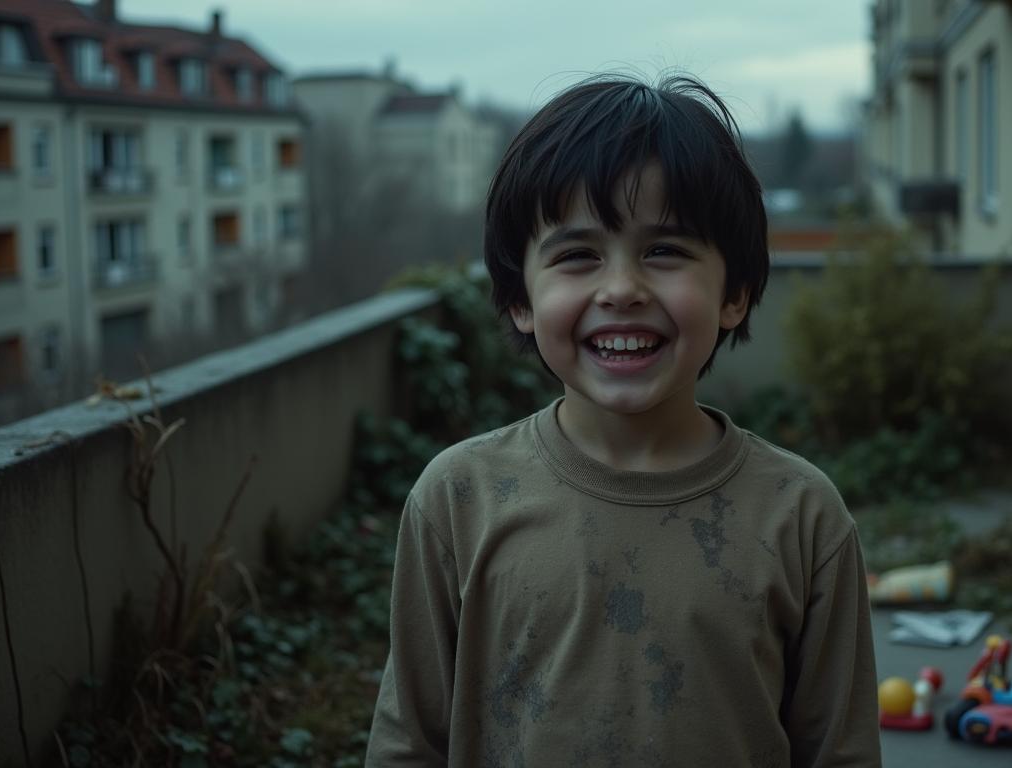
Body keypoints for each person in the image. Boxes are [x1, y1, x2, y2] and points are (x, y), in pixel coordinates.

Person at [366, 73, 881, 767]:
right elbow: (407, 745)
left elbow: (840, 752)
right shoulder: (458, 499)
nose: (621, 290)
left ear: (735, 293)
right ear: (521, 298)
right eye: (578, 256)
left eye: (664, 251)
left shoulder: (803, 517)